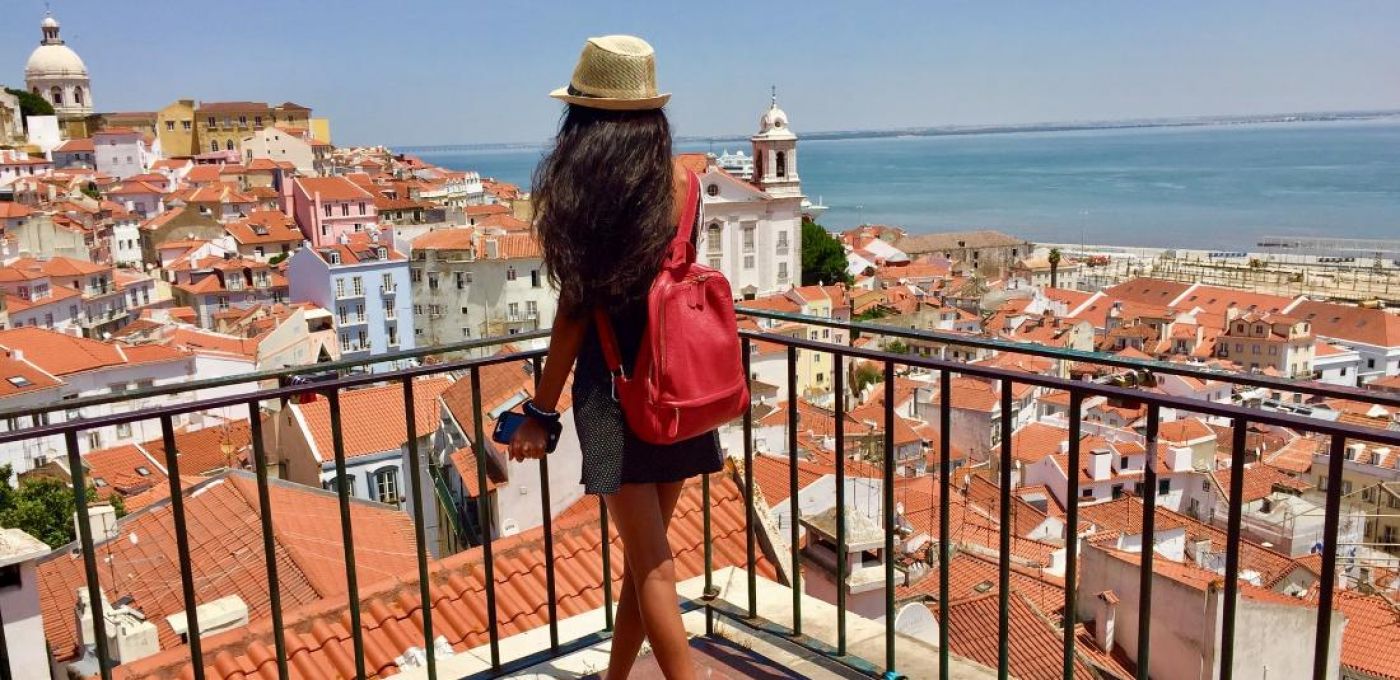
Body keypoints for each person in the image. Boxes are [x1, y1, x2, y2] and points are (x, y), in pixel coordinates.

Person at [507, 35, 721, 680]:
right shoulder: (685, 184)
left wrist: (540, 411)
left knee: (649, 560)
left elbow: (573, 316)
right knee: (646, 558)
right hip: (680, 384)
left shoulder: (587, 192)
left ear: (583, 120)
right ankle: (616, 676)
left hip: (612, 390)